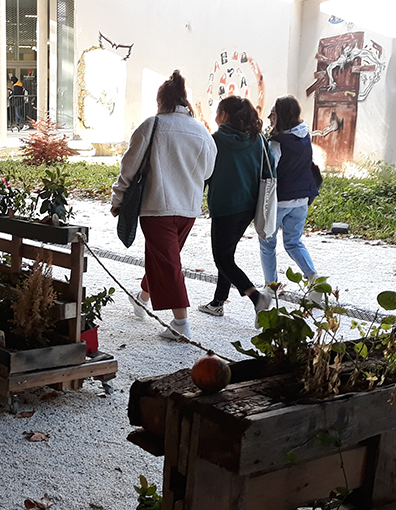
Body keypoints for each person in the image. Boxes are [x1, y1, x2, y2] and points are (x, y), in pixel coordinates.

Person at [111, 70, 217, 340]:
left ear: (161, 100)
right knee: (165, 258)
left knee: (168, 263)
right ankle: (141, 299)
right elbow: (208, 171)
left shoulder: (152, 125)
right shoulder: (202, 131)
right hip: (189, 208)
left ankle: (181, 323)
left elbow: (129, 168)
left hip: (157, 206)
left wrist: (118, 198)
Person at [198, 96, 274, 319]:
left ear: (225, 115)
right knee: (227, 254)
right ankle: (218, 302)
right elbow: (270, 169)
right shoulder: (259, 140)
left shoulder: (215, 141)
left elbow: (204, 173)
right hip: (249, 206)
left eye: (218, 112)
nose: (215, 116)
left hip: (224, 206)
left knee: (222, 259)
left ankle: (256, 297)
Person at [259, 95, 321, 297]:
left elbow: (269, 172)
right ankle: (314, 278)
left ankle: (271, 286)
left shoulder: (277, 143)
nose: (269, 117)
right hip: (302, 199)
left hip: (279, 201)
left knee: (267, 243)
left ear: (282, 116)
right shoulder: (304, 136)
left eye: (273, 114)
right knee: (294, 242)